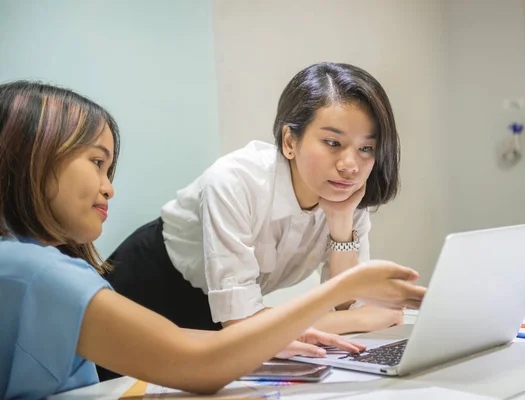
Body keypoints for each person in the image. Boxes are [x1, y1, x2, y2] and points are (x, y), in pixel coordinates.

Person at [0, 80, 425, 399]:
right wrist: (345, 289)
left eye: (366, 149)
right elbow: (200, 361)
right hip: (160, 278)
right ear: (289, 141)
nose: (109, 188)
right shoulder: (46, 275)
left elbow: (209, 345)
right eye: (97, 162)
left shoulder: (30, 265)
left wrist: (272, 332)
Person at [102, 62, 403, 373]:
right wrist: (356, 318)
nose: (351, 165)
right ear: (289, 141)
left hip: (221, 318)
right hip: (147, 289)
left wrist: (341, 224)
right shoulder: (234, 181)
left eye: (367, 147)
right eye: (333, 143)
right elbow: (243, 324)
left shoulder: (348, 200)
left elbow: (343, 303)